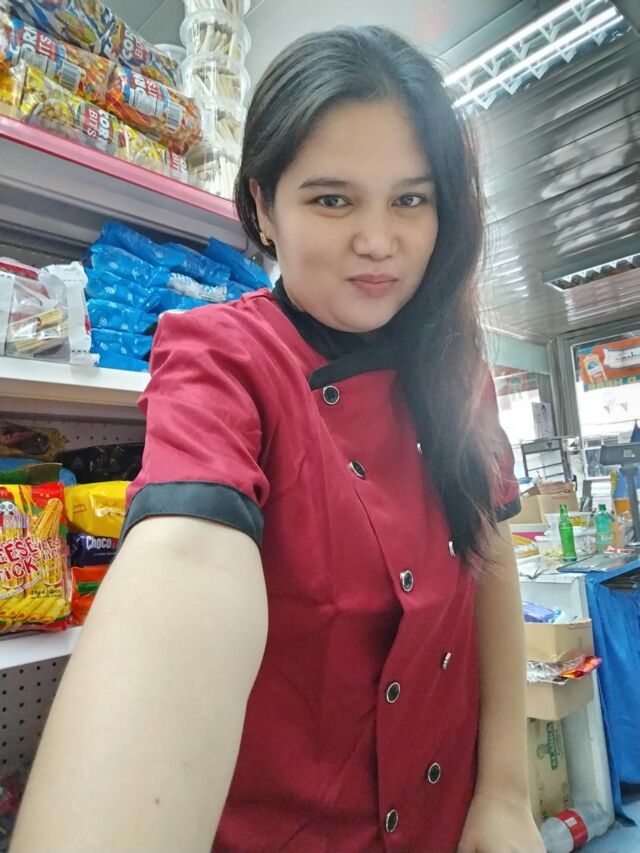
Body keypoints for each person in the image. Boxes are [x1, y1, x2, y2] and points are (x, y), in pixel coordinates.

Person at [11, 25, 544, 853]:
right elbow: (185, 560)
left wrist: (506, 793)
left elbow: (489, 550)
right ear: (263, 205)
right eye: (333, 199)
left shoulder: (455, 366)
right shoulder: (221, 358)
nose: (379, 241)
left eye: (410, 199)